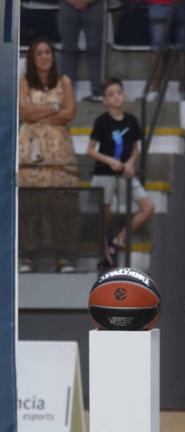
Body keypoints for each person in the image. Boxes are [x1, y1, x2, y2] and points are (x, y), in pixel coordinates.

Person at [18, 39, 81, 274]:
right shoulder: (24, 82)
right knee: (30, 204)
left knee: (61, 204)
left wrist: (40, 116)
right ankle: (28, 256)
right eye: (39, 53)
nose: (45, 56)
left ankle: (63, 257)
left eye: (48, 52)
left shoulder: (64, 82)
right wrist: (54, 108)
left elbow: (70, 112)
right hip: (30, 154)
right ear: (32, 59)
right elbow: (23, 111)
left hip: (59, 153)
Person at [87, 78, 156, 270]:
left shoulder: (131, 120)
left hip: (125, 173)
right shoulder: (101, 122)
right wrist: (111, 162)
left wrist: (130, 164)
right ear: (105, 100)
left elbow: (136, 148)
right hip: (104, 173)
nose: (116, 97)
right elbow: (90, 150)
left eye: (119, 93)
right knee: (104, 215)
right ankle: (105, 252)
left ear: (124, 95)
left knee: (148, 207)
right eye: (111, 94)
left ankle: (119, 240)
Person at [145, 0, 185, 101]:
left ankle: (184, 91)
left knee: (184, 48)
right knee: (157, 48)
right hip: (158, 3)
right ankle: (155, 90)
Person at [57, 0, 104, 102]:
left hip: (95, 5)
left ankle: (97, 92)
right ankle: (66, 92)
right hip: (67, 5)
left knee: (95, 49)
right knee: (68, 49)